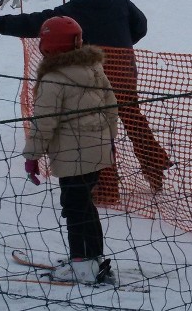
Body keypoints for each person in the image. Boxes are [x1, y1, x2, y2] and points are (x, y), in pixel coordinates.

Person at [0, 0, 171, 201]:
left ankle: (106, 189)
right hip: (125, 68)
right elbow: (141, 25)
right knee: (132, 115)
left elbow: (37, 22)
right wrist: (121, 45)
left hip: (95, 74)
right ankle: (155, 165)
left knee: (100, 128)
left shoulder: (74, 10)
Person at [22, 16, 118, 283]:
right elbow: (111, 106)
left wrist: (32, 157)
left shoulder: (53, 79)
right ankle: (92, 257)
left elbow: (43, 123)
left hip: (72, 156)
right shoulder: (94, 67)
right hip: (96, 150)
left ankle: (82, 265)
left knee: (75, 207)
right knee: (85, 205)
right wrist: (109, 141)